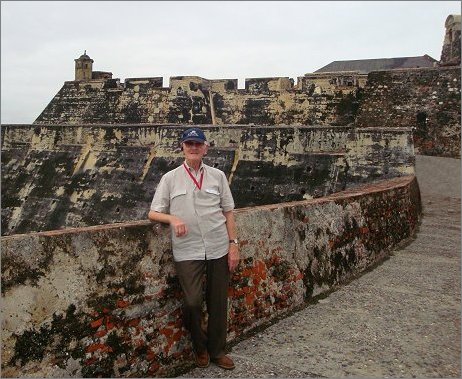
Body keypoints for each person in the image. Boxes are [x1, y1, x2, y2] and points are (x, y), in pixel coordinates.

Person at [148, 127, 239, 370]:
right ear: (183, 147)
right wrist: (173, 219)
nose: (194, 148)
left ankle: (217, 351)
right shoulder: (170, 178)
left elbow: (228, 212)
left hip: (218, 245)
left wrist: (233, 245)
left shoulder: (218, 176)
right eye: (189, 144)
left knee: (218, 301)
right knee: (192, 302)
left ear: (206, 148)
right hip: (188, 250)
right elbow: (153, 212)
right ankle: (199, 346)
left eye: (198, 144)